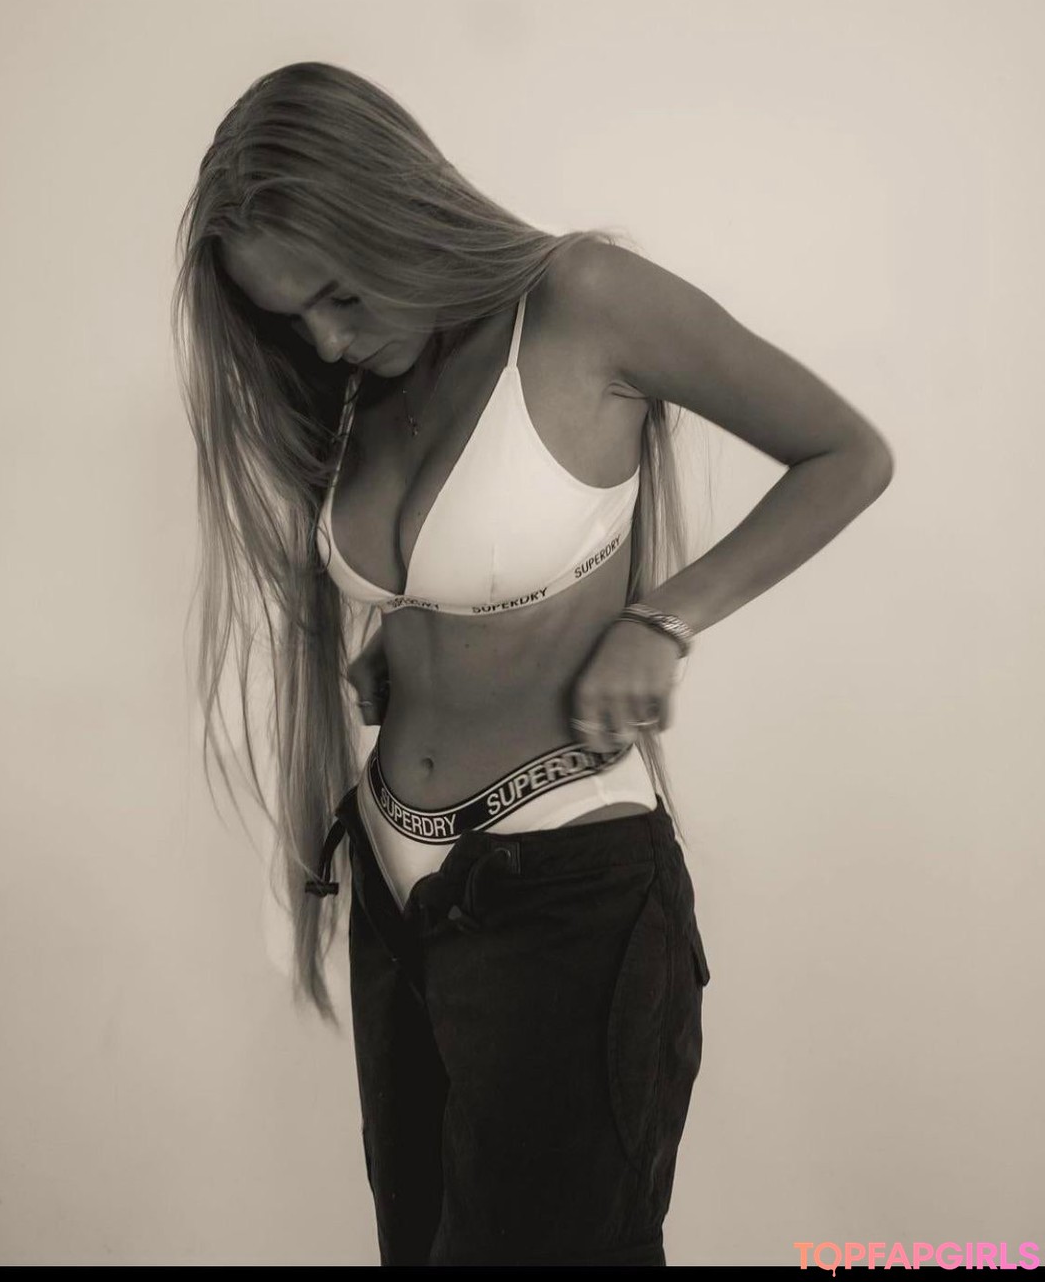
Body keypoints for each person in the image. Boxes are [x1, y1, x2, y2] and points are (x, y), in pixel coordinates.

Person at [171, 61, 894, 1267]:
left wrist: (664, 618)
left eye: (340, 294)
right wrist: (402, 643)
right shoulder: (361, 381)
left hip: (564, 891)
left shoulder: (583, 298)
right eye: (293, 318)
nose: (328, 337)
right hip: (395, 892)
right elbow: (461, 565)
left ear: (400, 211)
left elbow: (847, 453)